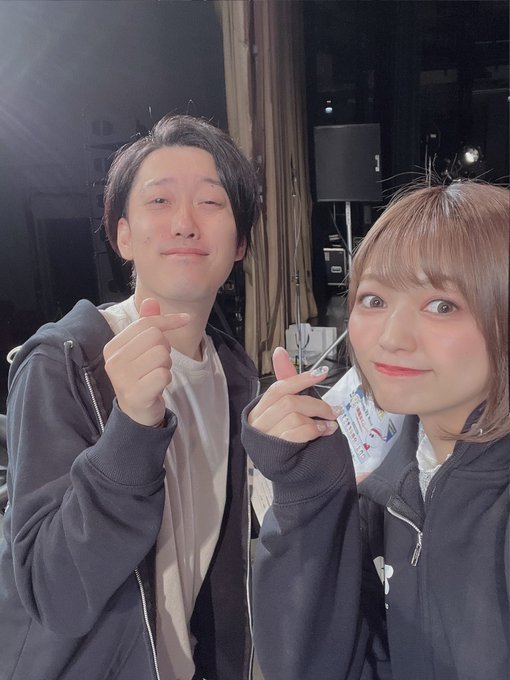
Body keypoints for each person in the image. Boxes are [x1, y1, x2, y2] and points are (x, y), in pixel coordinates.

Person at [0, 114, 261, 680]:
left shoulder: (235, 376)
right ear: (123, 237)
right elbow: (55, 593)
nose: (185, 224)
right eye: (160, 201)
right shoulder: (63, 363)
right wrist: (133, 430)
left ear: (239, 242)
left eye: (211, 203)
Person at [242, 181, 509, 680]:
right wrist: (309, 494)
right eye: (374, 299)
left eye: (442, 305)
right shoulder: (384, 495)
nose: (390, 338)